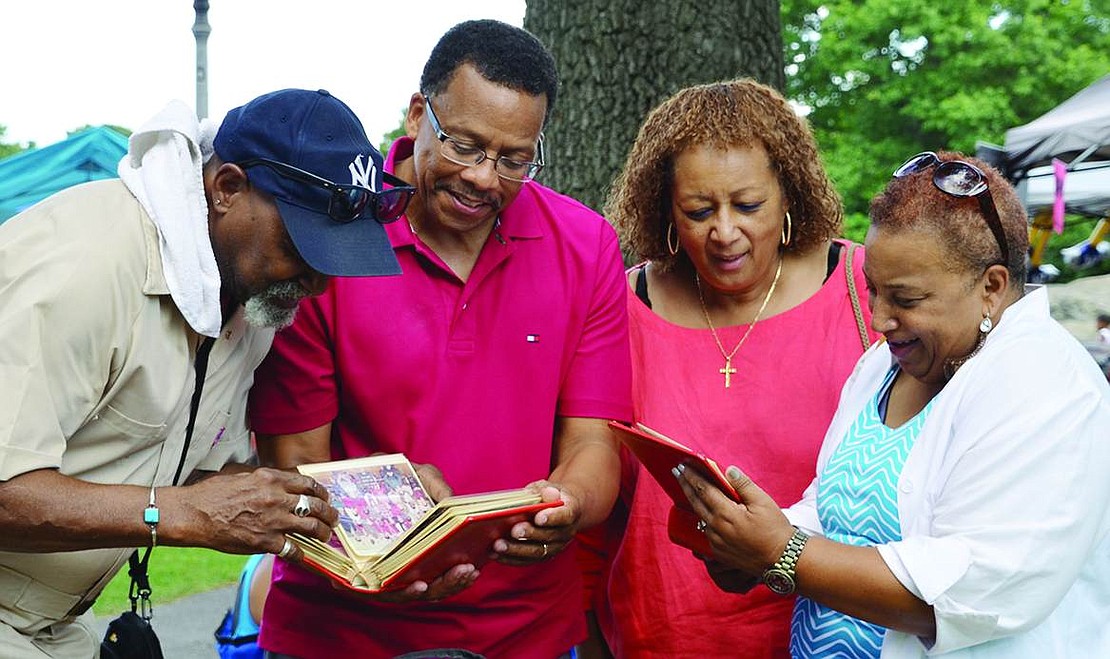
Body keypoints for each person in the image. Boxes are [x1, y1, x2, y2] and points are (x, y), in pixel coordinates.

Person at [247, 19, 632, 659]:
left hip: (527, 633)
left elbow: (595, 443)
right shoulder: (333, 241)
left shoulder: (586, 246)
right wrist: (381, 533)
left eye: (514, 159)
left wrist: (568, 503)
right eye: (464, 146)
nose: (484, 177)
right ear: (418, 115)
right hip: (339, 631)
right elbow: (293, 465)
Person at [0, 88, 413, 656]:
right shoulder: (87, 264)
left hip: (49, 624)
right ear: (227, 189)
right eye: (303, 248)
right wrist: (180, 514)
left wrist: (391, 500)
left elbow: (196, 475)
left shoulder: (249, 300)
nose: (317, 285)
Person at [676, 151, 1110, 657]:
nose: (879, 319)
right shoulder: (886, 366)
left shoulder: (1046, 383)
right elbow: (837, 512)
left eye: (905, 299)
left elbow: (971, 593)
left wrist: (781, 551)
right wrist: (749, 546)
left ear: (990, 287)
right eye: (873, 291)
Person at [578, 79, 879, 658]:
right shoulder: (620, 308)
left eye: (748, 205)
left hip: (836, 635)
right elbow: (596, 513)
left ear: (789, 194)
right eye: (697, 210)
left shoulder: (861, 290)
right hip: (660, 637)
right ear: (664, 208)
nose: (724, 232)